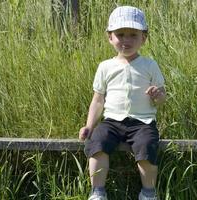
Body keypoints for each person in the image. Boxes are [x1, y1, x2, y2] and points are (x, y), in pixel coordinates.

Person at [79, 5, 166, 200]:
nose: (126, 40)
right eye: (120, 34)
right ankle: (98, 191)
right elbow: (98, 100)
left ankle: (148, 193)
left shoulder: (149, 65)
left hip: (142, 122)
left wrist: (157, 96)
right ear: (110, 37)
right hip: (112, 121)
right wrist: (89, 126)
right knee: (97, 143)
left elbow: (162, 97)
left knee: (147, 146)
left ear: (144, 38)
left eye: (133, 35)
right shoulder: (105, 67)